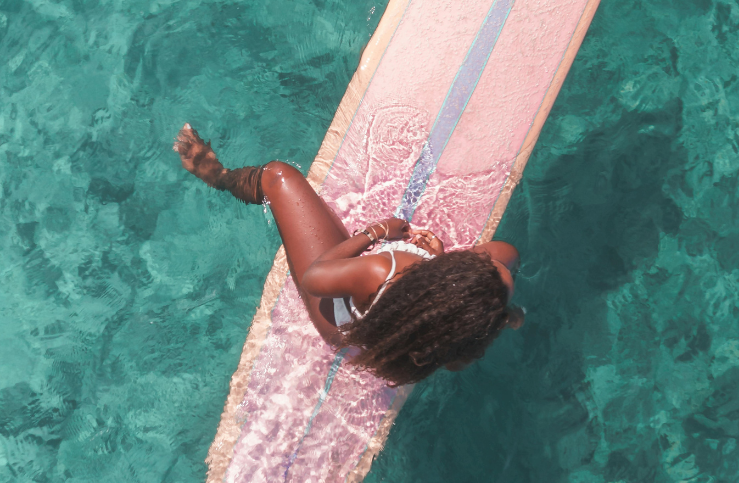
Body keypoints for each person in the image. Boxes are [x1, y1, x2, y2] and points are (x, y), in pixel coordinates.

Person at [173, 124, 524, 385]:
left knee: (277, 176)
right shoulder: (460, 336)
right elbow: (507, 256)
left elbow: (314, 277)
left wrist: (375, 233)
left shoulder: (389, 269)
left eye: (481, 265)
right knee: (509, 257)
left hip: (340, 319)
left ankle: (217, 177)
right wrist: (492, 309)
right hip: (391, 336)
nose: (486, 260)